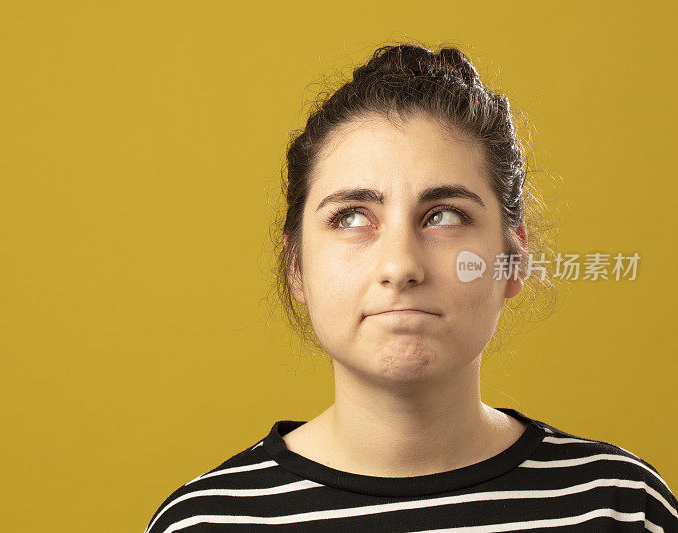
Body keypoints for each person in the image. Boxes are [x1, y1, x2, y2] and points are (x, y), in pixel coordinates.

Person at [144, 41, 678, 532]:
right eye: (352, 218)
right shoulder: (204, 522)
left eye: (443, 215)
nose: (400, 266)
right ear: (296, 269)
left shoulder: (622, 506)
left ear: (513, 260)